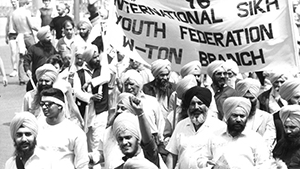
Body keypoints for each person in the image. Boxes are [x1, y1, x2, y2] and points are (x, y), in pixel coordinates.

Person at [197, 97, 269, 168]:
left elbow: (264, 165)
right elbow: (201, 159)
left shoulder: (256, 139)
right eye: (234, 115)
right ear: (227, 117)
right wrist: (210, 166)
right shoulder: (214, 136)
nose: (238, 119)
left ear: (246, 118)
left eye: (242, 116)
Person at [165, 86, 226, 169]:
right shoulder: (181, 125)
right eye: (192, 104)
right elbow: (172, 155)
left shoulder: (219, 127)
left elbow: (220, 161)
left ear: (207, 106)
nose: (196, 107)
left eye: (200, 103)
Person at [73, 44, 110, 161]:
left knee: (98, 139)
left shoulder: (103, 69)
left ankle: (96, 161)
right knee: (84, 138)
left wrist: (91, 83)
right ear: (88, 59)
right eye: (94, 57)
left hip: (101, 110)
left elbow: (107, 78)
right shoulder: (79, 74)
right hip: (86, 111)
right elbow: (77, 92)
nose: (98, 59)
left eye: (98, 56)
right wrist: (90, 97)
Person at [37, 88, 89, 169]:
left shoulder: (75, 132)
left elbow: (82, 164)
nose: (44, 107)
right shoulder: (36, 127)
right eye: (42, 104)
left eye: (48, 104)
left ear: (60, 106)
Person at [113, 104, 159, 169]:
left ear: (138, 138)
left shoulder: (149, 158)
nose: (124, 142)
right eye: (120, 139)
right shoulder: (121, 167)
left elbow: (149, 144)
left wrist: (140, 114)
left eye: (128, 137)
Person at [235, 78, 276, 151]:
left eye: (251, 98)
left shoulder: (266, 117)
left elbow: (269, 139)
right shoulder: (230, 116)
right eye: (245, 97)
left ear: (256, 98)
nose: (248, 101)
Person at [23, 26, 58, 91]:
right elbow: (26, 60)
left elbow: (58, 57)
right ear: (42, 38)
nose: (50, 39)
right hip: (37, 76)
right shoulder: (33, 48)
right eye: (47, 37)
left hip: (50, 76)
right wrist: (27, 70)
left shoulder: (51, 47)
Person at [11, 0, 38, 85]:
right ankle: (34, 76)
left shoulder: (14, 13)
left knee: (22, 57)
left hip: (20, 36)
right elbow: (31, 25)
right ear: (26, 4)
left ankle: (21, 78)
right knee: (34, 55)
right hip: (28, 35)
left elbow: (14, 28)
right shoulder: (26, 12)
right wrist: (40, 30)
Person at [5, 0, 19, 78]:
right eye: (12, 2)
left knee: (22, 53)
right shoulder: (10, 13)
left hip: (20, 33)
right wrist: (6, 35)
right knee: (13, 52)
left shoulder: (21, 12)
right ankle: (14, 69)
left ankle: (22, 70)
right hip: (12, 34)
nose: (13, 3)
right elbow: (7, 25)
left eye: (14, 1)